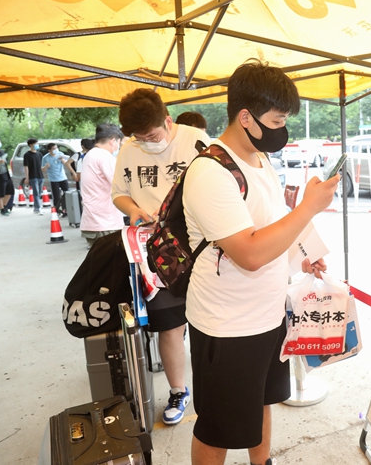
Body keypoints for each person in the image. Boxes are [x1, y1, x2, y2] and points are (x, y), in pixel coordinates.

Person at [183, 59, 339, 465]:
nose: (281, 129)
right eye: (277, 120)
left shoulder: (259, 160)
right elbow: (249, 253)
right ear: (246, 118)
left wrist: (301, 258)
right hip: (227, 325)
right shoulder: (210, 172)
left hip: (267, 315)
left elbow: (270, 227)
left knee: (263, 401)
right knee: (217, 428)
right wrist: (308, 208)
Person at [112, 88, 211, 426]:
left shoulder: (196, 140)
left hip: (199, 247)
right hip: (156, 252)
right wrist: (134, 210)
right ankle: (178, 391)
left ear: (167, 120)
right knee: (169, 326)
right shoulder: (129, 149)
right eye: (139, 138)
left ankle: (213, 387)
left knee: (208, 322)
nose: (146, 142)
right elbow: (118, 194)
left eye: (152, 136)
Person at [80, 125, 124, 247]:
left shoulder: (91, 154)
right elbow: (121, 185)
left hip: (94, 220)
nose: (118, 146)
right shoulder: (104, 156)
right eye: (119, 142)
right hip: (105, 223)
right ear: (113, 141)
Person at [41, 142, 77, 216]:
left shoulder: (60, 154)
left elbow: (66, 164)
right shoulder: (45, 158)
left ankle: (66, 209)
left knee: (67, 194)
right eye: (54, 149)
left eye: (56, 148)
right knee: (56, 196)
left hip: (63, 177)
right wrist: (46, 167)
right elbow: (42, 169)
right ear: (49, 150)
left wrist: (62, 160)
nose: (56, 149)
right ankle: (57, 210)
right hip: (53, 179)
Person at [23, 138, 44, 215]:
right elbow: (26, 167)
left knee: (39, 193)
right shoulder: (27, 155)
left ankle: (36, 208)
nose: (37, 145)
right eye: (35, 144)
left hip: (40, 175)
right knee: (36, 193)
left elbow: (42, 165)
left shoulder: (39, 154)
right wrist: (27, 177)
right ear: (30, 145)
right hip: (33, 176)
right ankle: (39, 208)